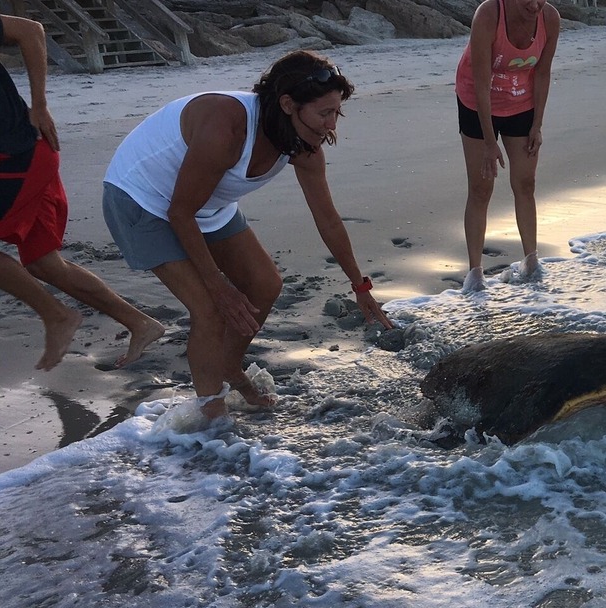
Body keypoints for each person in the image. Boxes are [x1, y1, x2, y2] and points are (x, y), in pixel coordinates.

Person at [102, 50, 392, 421]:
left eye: (337, 112)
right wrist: (219, 285)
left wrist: (360, 285)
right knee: (208, 308)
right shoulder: (227, 127)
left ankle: (227, 366)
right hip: (142, 198)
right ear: (288, 104)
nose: (331, 125)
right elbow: (179, 211)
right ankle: (213, 418)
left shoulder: (303, 146)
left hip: (205, 204)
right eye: (324, 113)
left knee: (265, 284)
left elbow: (328, 220)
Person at [0, 14, 164, 371]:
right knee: (43, 263)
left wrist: (40, 104)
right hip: (20, 156)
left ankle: (57, 316)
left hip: (18, 153)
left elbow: (31, 30)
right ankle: (141, 323)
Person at [455, 0, 561, 292]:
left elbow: (542, 72)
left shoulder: (550, 18)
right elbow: (480, 80)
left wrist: (537, 124)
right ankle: (475, 274)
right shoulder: (489, 15)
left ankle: (531, 262)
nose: (535, 4)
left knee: (526, 183)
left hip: (521, 102)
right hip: (476, 101)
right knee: (481, 187)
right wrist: (490, 142)